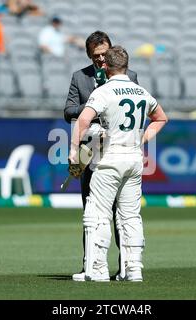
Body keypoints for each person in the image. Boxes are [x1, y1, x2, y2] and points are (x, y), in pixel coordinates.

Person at [68, 46, 168, 281]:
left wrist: (74, 151)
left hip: (109, 159)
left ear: (105, 66)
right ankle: (133, 269)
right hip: (134, 160)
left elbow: (82, 120)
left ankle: (97, 269)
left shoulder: (104, 91)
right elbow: (161, 118)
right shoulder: (141, 91)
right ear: (126, 65)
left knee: (98, 213)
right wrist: (141, 139)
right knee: (130, 216)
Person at [64, 31, 138, 282]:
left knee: (123, 211)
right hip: (91, 151)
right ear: (89, 55)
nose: (101, 60)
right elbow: (68, 111)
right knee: (92, 212)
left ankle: (127, 267)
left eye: (105, 55)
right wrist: (95, 107)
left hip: (119, 150)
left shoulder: (130, 77)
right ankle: (90, 266)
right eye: (96, 56)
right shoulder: (80, 77)